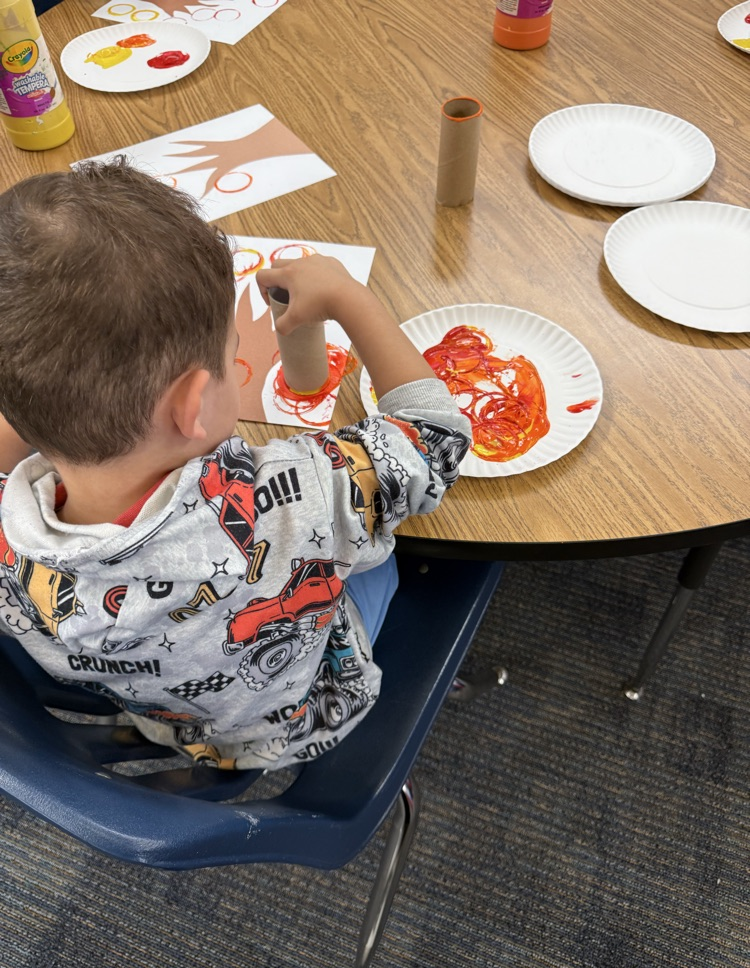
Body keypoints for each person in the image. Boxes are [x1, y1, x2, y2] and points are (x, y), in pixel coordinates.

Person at [0, 159, 471, 770]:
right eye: (232, 350)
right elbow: (435, 438)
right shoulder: (299, 496)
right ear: (193, 404)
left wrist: (40, 387)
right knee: (383, 555)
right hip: (305, 712)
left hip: (168, 715)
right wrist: (351, 299)